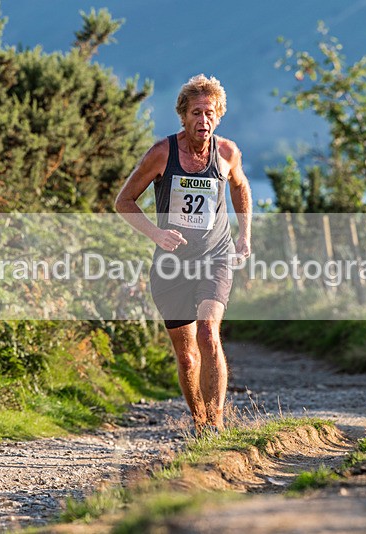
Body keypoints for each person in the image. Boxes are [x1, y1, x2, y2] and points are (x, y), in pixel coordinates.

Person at [115, 74, 252, 433]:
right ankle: (200, 422)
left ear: (218, 116)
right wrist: (157, 234)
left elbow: (240, 187)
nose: (202, 121)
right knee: (188, 356)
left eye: (209, 113)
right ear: (183, 115)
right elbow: (124, 201)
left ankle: (217, 425)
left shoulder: (227, 153)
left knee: (208, 333)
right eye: (195, 113)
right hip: (171, 266)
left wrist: (244, 235)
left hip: (215, 257)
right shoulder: (162, 153)